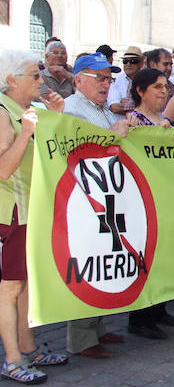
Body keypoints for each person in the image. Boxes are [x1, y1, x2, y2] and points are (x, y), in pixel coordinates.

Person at [0, 50, 67, 383]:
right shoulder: (3, 113)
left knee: (24, 282)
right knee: (10, 287)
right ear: (12, 80)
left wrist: (56, 117)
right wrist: (26, 132)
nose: (42, 80)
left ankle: (29, 349)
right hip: (11, 211)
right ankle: (12, 359)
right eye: (35, 75)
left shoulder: (29, 111)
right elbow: (3, 169)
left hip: (30, 209)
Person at [63, 53, 130, 358]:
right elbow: (76, 150)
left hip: (104, 196)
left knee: (102, 262)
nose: (106, 84)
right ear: (79, 80)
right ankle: (81, 337)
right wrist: (111, 135)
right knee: (87, 264)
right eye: (99, 78)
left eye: (109, 79)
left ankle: (96, 326)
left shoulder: (101, 109)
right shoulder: (70, 110)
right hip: (83, 198)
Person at [125, 69, 174, 339]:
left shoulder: (164, 120)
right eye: (157, 87)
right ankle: (140, 318)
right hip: (145, 199)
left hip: (167, 198)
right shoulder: (133, 121)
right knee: (146, 257)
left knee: (166, 256)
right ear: (140, 91)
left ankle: (159, 309)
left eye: (165, 86)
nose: (163, 91)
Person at [107, 46, 144, 115]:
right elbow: (114, 107)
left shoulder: (148, 80)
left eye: (133, 61)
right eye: (125, 61)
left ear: (141, 63)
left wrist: (126, 104)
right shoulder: (117, 80)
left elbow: (151, 107)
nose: (128, 64)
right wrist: (139, 105)